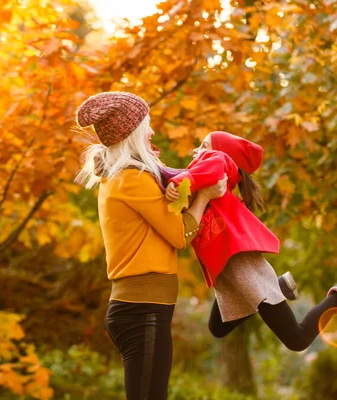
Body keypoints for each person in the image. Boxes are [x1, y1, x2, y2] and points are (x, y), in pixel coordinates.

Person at [75, 92, 227, 400]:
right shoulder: (132, 179)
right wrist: (205, 197)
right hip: (142, 310)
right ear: (132, 133)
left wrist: (182, 196)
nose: (152, 132)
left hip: (143, 308)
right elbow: (178, 236)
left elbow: (164, 222)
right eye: (147, 124)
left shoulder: (125, 179)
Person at [165, 131, 337, 351]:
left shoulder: (216, 163)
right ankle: (279, 288)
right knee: (217, 327)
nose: (196, 151)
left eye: (204, 145)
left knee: (297, 340)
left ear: (223, 155)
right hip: (227, 270)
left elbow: (208, 168)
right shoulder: (205, 186)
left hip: (242, 265)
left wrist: (178, 182)